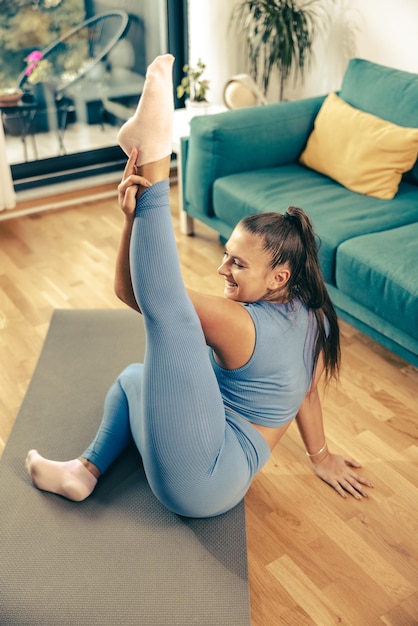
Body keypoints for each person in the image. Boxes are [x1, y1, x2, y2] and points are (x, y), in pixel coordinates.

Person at [25, 55, 373, 518]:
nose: (222, 268)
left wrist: (139, 207)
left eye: (237, 264)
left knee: (174, 323)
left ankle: (153, 154)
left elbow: (140, 296)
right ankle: (83, 472)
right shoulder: (316, 318)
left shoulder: (241, 322)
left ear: (279, 278)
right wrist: (321, 457)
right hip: (220, 467)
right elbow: (307, 394)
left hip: (201, 480)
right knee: (133, 379)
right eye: (225, 254)